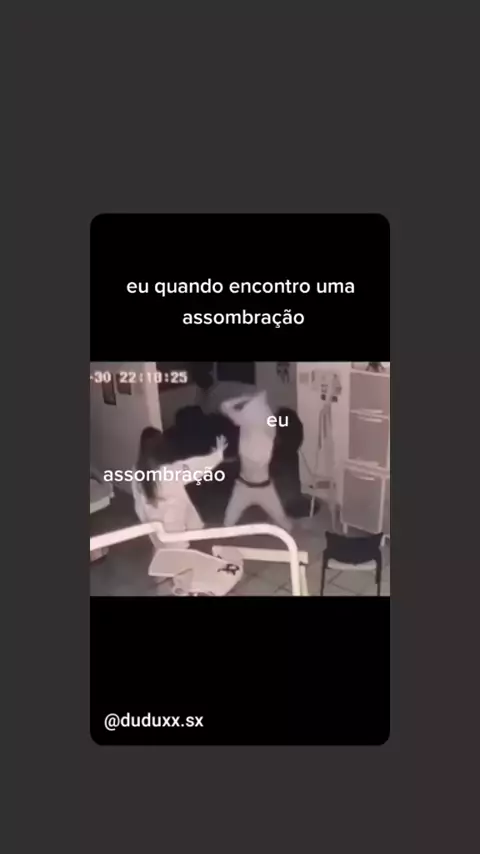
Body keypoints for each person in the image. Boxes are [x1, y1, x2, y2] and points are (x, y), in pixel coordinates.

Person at [132, 426, 227, 549]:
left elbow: (138, 503)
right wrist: (217, 455)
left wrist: (145, 521)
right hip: (173, 525)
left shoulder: (136, 470)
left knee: (163, 548)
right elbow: (196, 466)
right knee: (179, 551)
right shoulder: (171, 471)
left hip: (154, 523)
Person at [220, 391, 292, 530]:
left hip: (265, 489)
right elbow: (224, 406)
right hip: (243, 487)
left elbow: (226, 407)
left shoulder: (267, 428)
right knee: (227, 524)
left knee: (285, 525)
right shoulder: (247, 423)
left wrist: (248, 401)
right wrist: (246, 398)